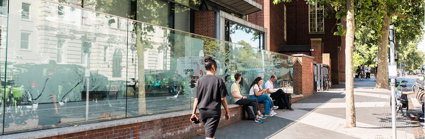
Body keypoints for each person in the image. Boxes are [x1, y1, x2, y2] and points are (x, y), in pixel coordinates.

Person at [190, 56, 230, 139]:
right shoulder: (219, 81)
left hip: (203, 112)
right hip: (213, 112)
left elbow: (196, 98)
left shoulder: (199, 81)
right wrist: (227, 111)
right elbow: (223, 99)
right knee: (209, 136)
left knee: (210, 134)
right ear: (213, 67)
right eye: (216, 67)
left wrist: (193, 113)